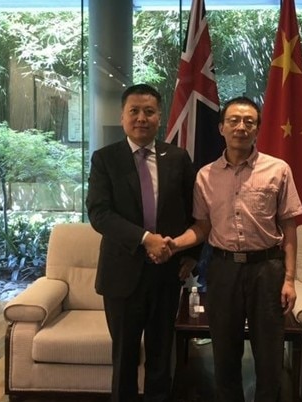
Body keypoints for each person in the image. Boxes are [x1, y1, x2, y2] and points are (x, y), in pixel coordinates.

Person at [168, 96, 302, 402]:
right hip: (222, 269)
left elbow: (290, 226)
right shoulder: (205, 176)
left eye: (249, 122)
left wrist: (290, 279)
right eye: (234, 121)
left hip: (267, 269)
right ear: (221, 128)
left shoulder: (278, 169)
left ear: (257, 129)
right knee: (225, 354)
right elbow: (202, 227)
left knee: (269, 355)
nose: (241, 127)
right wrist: (176, 244)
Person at [86, 83, 197, 402]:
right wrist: (145, 239)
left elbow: (196, 211)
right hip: (122, 275)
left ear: (159, 117)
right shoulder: (105, 160)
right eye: (133, 111)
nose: (141, 118)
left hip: (167, 275)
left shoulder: (177, 158)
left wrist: (192, 255)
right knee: (125, 359)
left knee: (162, 357)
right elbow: (99, 213)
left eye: (149, 111)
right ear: (122, 117)